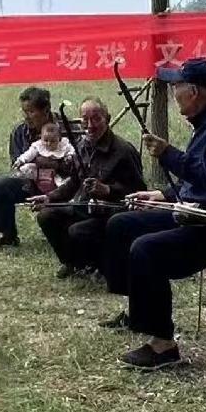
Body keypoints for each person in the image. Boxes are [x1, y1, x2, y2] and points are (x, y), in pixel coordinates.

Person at [100, 58, 206, 370]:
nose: (173, 91)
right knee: (122, 224)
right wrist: (162, 195)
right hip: (200, 213)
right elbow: (199, 183)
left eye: (176, 86)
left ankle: (163, 346)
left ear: (194, 92)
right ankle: (138, 309)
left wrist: (168, 154)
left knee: (146, 249)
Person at [34, 98, 146, 278]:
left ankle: (99, 264)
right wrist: (50, 197)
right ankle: (73, 262)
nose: (90, 125)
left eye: (96, 119)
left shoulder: (123, 151)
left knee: (77, 230)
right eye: (85, 120)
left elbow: (138, 190)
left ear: (107, 119)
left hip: (111, 214)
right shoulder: (83, 145)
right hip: (84, 206)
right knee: (46, 215)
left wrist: (108, 190)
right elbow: (75, 181)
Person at [0, 86, 54, 248]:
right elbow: (16, 165)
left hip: (59, 183)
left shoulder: (63, 128)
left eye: (31, 112)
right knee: (1, 185)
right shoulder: (19, 131)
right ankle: (6, 234)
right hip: (30, 182)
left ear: (45, 110)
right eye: (24, 112)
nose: (26, 117)